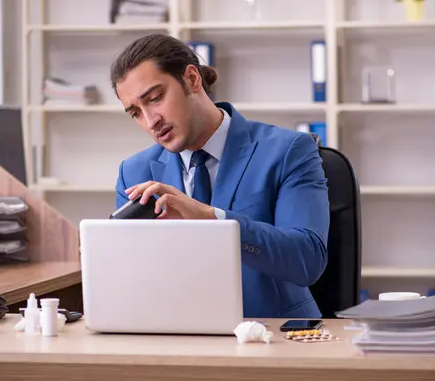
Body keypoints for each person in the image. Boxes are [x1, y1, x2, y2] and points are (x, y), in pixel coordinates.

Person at [110, 33, 330, 318]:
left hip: (273, 334)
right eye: (135, 113)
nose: (151, 121)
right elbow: (134, 277)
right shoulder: (134, 172)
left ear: (191, 79)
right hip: (177, 336)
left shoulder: (289, 150)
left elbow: (307, 260)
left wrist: (211, 219)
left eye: (155, 98)